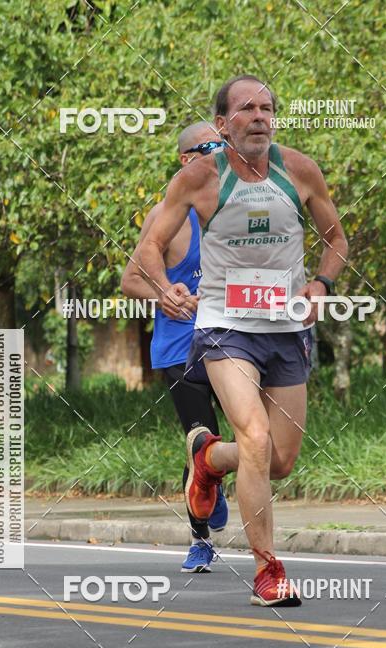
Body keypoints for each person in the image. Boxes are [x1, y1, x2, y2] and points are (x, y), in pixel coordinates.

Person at [138, 75, 348, 606]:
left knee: (278, 461)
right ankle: (267, 570)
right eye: (247, 109)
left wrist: (321, 283)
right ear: (225, 122)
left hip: (286, 329)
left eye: (267, 108)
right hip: (223, 329)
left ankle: (207, 461)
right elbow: (149, 247)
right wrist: (165, 288)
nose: (259, 116)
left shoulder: (299, 170)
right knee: (254, 438)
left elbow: (337, 238)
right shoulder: (200, 179)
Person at [121, 122, 228, 574]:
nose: (223, 154)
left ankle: (216, 478)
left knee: (258, 434)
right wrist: (166, 293)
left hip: (233, 339)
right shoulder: (166, 217)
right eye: (212, 148)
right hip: (181, 348)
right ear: (187, 159)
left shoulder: (240, 208)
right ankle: (200, 539)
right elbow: (129, 281)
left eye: (226, 146)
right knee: (198, 439)